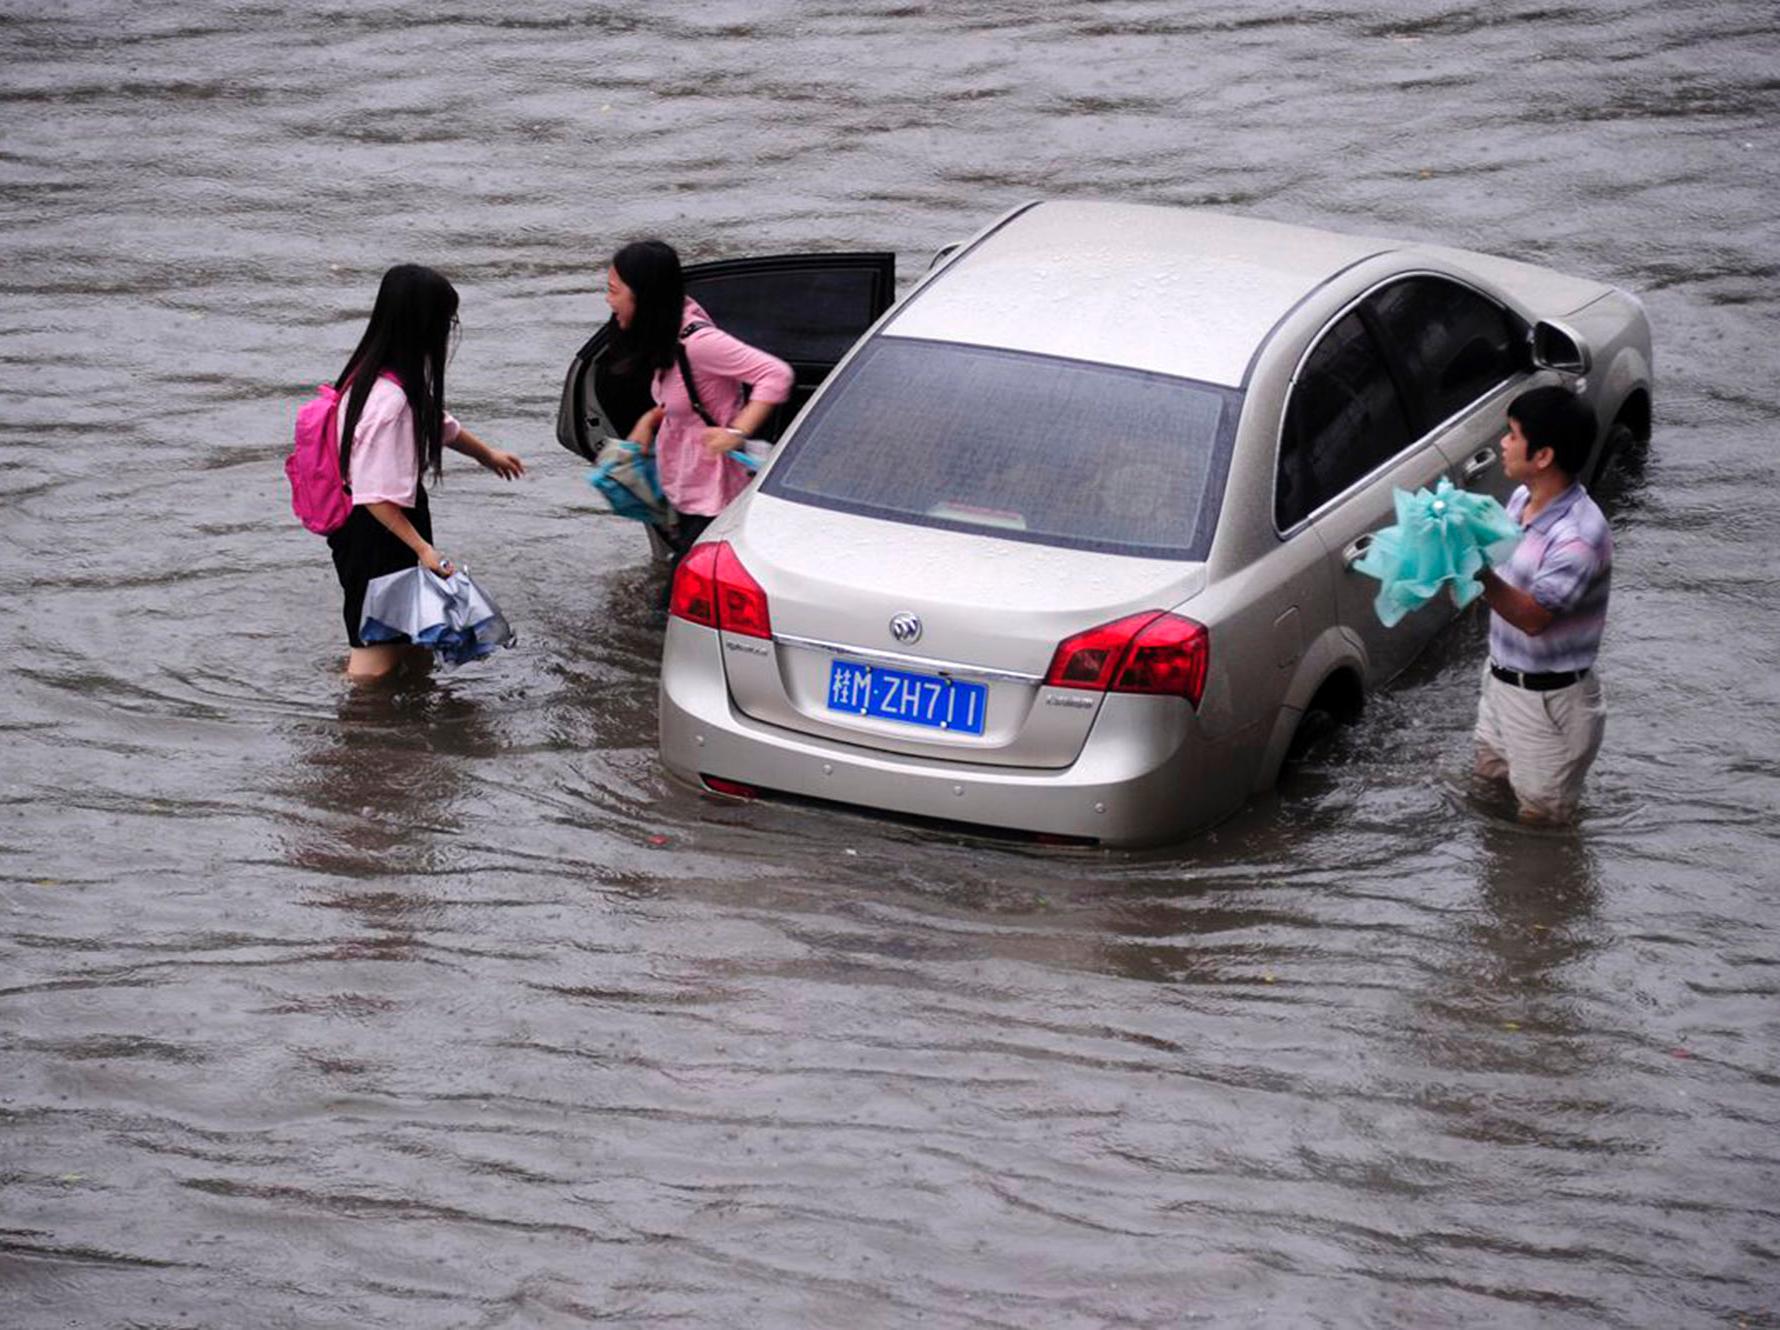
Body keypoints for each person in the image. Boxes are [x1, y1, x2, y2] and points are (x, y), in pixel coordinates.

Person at [325, 264, 524, 681]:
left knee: (412, 640)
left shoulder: (371, 375)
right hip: (379, 534)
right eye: (446, 322)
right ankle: (358, 735)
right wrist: (423, 550)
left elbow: (437, 422)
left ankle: (409, 729)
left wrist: (486, 455)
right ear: (424, 327)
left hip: (373, 530)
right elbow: (375, 495)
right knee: (374, 657)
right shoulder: (392, 402)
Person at [601, 239, 793, 560]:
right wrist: (650, 421)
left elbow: (776, 375)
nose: (608, 300)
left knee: (679, 600)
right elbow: (687, 395)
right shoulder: (666, 335)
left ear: (642, 294)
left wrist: (736, 433)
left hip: (716, 498)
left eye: (613, 290)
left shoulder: (702, 344)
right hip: (685, 486)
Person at [1472, 386, 1612, 823]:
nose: (1503, 443)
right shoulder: (1521, 501)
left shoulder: (1578, 537)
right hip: (1500, 680)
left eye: (1513, 435)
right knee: (1487, 786)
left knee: (1542, 827)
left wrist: (1475, 571)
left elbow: (1533, 618)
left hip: (1547, 704)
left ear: (1544, 456)